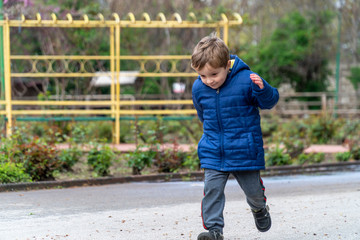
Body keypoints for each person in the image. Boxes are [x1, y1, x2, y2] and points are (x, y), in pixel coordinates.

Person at [191, 33, 279, 240]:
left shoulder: (246, 80)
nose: (208, 81)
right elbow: (203, 115)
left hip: (244, 149)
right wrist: (213, 137)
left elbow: (270, 101)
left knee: (253, 191)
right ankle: (214, 231)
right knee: (212, 191)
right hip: (214, 149)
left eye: (213, 74)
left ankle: (259, 209)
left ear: (226, 66)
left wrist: (263, 89)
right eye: (202, 75)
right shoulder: (199, 87)